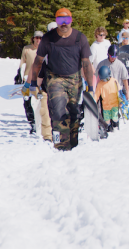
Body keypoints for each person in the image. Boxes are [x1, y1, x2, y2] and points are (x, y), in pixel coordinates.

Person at [26, 8, 94, 151]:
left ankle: (73, 144)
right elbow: (38, 61)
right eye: (60, 20)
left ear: (71, 20)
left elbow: (86, 64)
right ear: (56, 21)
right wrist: (33, 82)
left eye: (67, 20)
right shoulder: (48, 38)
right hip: (54, 78)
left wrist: (90, 87)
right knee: (58, 111)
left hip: (74, 79)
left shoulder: (79, 38)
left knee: (74, 112)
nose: (64, 24)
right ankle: (59, 145)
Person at [18, 31, 44, 135]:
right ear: (33, 38)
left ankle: (41, 123)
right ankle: (32, 123)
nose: (38, 40)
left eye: (40, 38)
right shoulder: (27, 49)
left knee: (39, 103)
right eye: (36, 38)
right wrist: (19, 75)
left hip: (39, 81)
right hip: (27, 79)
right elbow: (22, 63)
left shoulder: (44, 49)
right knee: (27, 103)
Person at [94, 66, 121, 132]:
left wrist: (121, 101)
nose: (105, 81)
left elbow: (119, 92)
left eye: (106, 79)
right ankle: (109, 126)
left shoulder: (114, 81)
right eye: (103, 79)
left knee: (114, 117)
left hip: (114, 103)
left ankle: (115, 122)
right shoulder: (100, 84)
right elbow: (97, 95)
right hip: (106, 105)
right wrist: (94, 102)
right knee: (107, 119)